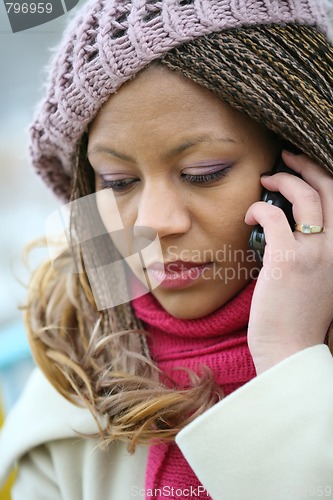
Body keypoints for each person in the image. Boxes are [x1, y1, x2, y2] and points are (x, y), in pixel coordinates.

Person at [0, 0, 333, 498]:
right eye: (118, 181)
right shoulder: (67, 386)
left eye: (205, 172)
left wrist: (289, 362)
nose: (154, 223)